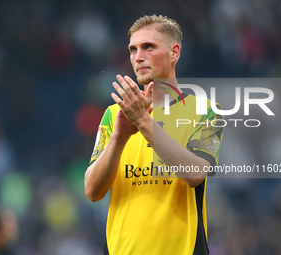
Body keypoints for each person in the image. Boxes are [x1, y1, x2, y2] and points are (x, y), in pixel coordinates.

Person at [85, 14, 224, 255]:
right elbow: (93, 191)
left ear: (174, 53)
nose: (138, 57)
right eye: (133, 49)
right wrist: (119, 137)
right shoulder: (113, 114)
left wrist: (143, 122)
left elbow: (195, 175)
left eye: (148, 47)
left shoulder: (206, 110)